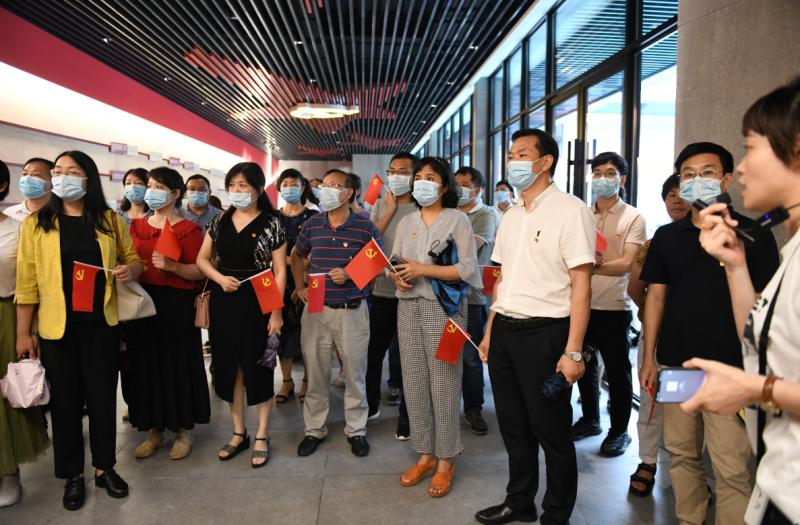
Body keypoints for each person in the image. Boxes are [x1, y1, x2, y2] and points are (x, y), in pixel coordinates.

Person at [639, 142, 780, 525]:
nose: (696, 180)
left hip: (731, 369)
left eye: (706, 172)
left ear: (726, 179)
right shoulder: (668, 236)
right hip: (677, 364)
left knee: (731, 466)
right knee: (681, 452)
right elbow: (655, 298)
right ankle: (690, 518)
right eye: (688, 174)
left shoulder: (752, 233)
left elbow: (766, 306)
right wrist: (649, 356)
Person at [687, 77, 800, 525]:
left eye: (752, 148)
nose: (744, 168)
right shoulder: (791, 249)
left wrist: (756, 389)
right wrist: (735, 266)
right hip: (780, 483)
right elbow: (758, 334)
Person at [475, 129, 594, 525]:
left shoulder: (571, 210)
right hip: (505, 332)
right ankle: (519, 501)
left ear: (546, 162)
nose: (514, 161)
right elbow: (503, 279)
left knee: (551, 430)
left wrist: (573, 351)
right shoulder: (510, 215)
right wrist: (490, 331)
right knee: (513, 426)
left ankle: (556, 513)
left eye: (522, 153)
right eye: (511, 153)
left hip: (546, 334)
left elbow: (582, 285)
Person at [15, 150, 144, 510]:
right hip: (57, 329)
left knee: (102, 399)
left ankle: (105, 468)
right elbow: (26, 284)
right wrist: (24, 333)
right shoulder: (37, 224)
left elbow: (134, 260)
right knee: (66, 404)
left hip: (101, 325)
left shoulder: (109, 221)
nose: (62, 177)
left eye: (71, 171)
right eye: (58, 171)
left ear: (88, 179)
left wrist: (130, 271)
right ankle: (72, 475)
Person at [390, 157, 480, 498]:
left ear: (443, 187)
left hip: (446, 311)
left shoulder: (458, 220)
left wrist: (422, 270)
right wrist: (397, 277)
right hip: (408, 307)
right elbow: (394, 262)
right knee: (413, 383)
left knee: (444, 383)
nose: (422, 183)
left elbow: (467, 269)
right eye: (419, 177)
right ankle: (425, 454)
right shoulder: (406, 221)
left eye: (430, 178)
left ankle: (446, 460)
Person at [196, 162, 287, 468]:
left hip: (260, 296)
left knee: (258, 366)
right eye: (232, 185)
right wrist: (220, 279)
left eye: (243, 185)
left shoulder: (273, 223)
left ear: (258, 189)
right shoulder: (220, 220)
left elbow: (280, 271)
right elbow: (201, 259)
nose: (236, 190)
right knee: (229, 367)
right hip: (225, 300)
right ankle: (239, 432)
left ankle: (262, 434)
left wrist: (276, 313)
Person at [291, 169, 382, 459]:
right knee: (316, 373)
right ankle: (314, 429)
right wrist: (299, 286)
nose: (327, 189)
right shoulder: (314, 223)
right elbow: (296, 255)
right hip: (316, 306)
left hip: (352, 309)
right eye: (325, 185)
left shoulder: (364, 225)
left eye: (335, 185)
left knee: (355, 374)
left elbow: (378, 261)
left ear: (349, 193)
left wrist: (351, 274)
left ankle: (356, 430)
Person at [126, 167, 210, 460]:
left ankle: (183, 430)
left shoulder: (189, 230)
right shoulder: (136, 226)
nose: (151, 191)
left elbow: (200, 270)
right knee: (146, 366)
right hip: (142, 303)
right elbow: (130, 258)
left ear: (175, 194)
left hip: (176, 304)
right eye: (150, 185)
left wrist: (174, 267)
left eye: (159, 187)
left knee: (178, 365)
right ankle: (154, 430)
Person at [573, 152, 646, 457]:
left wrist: (590, 266)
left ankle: (619, 432)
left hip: (615, 306)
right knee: (583, 365)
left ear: (622, 179)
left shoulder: (633, 217)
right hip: (580, 303)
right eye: (598, 173)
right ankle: (591, 420)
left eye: (610, 173)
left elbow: (628, 262)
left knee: (617, 372)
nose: (603, 178)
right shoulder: (581, 215)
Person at [626, 173, 690, 497]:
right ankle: (648, 461)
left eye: (682, 193)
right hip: (658, 338)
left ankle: (689, 468)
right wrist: (654, 313)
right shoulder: (655, 243)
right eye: (670, 195)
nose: (676, 199)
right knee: (651, 402)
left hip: (695, 341)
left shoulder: (710, 239)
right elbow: (635, 288)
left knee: (688, 407)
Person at [0, 160, 49, 508]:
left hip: (7, 314)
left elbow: (31, 283)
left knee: (8, 395)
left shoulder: (19, 229)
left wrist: (28, 331)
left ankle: (8, 469)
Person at [366, 152, 417, 439]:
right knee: (374, 352)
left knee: (410, 358)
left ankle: (407, 417)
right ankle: (371, 404)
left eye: (403, 171)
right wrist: (388, 210)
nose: (396, 176)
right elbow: (370, 241)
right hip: (382, 291)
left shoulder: (423, 206)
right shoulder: (380, 203)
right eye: (392, 171)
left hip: (413, 292)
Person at [454, 166, 496, 435]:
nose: (458, 189)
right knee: (444, 355)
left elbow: (471, 247)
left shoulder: (486, 214)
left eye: (464, 184)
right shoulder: (447, 211)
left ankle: (473, 408)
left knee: (470, 357)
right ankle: (445, 406)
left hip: (471, 297)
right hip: (442, 295)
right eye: (455, 183)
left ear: (477, 190)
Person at [274, 169, 316, 404]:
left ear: (303, 187)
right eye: (285, 183)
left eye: (294, 183)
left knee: (310, 333)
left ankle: (308, 380)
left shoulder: (313, 216)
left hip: (310, 282)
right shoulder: (272, 217)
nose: (289, 187)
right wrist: (294, 262)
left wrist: (296, 264)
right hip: (280, 282)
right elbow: (267, 255)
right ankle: (287, 380)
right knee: (283, 333)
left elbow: (315, 254)